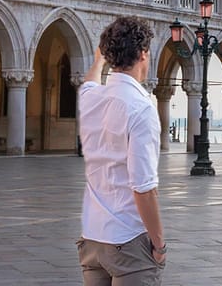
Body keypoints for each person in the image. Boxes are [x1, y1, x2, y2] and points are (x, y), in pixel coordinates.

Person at [77, 17, 165, 285]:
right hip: (128, 239)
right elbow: (143, 188)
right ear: (143, 54)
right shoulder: (141, 108)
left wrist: (98, 61)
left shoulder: (91, 98)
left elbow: (90, 82)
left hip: (92, 238)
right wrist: (159, 245)